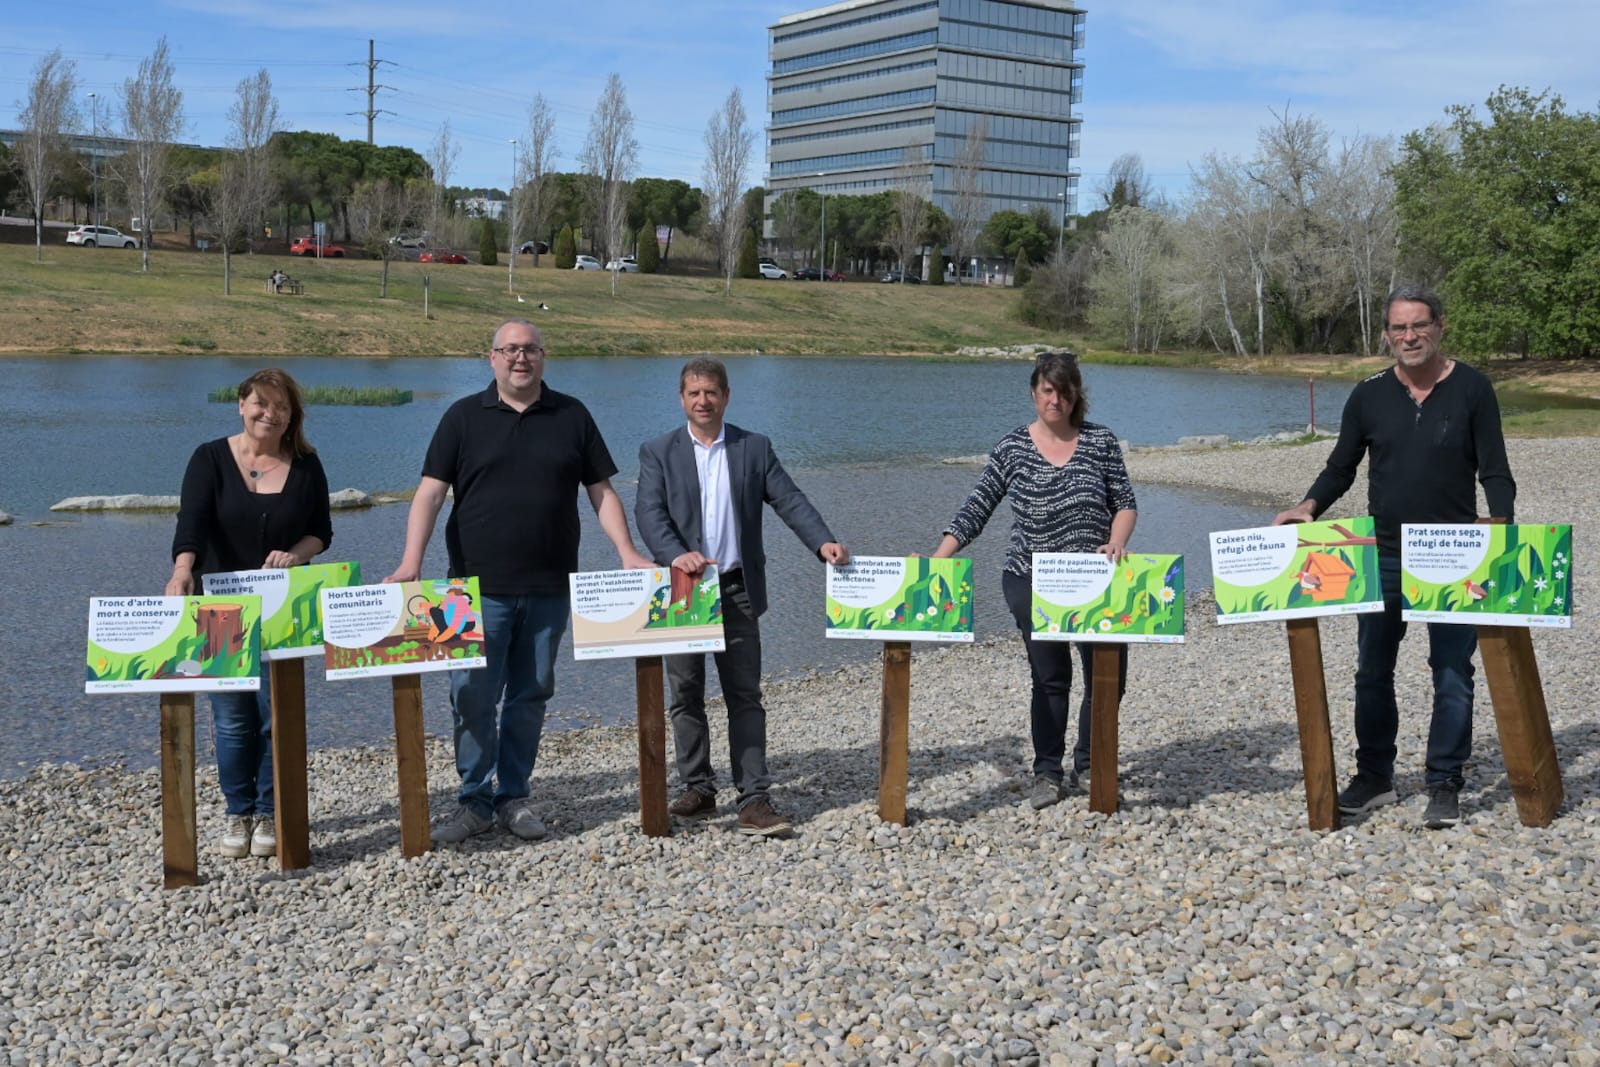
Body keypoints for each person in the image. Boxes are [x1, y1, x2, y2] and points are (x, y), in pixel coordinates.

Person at [386, 319, 653, 845]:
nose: (520, 358)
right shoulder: (462, 417)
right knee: (471, 696)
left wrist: (628, 552)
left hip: (550, 586)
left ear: (543, 357)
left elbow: (601, 491)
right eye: (510, 350)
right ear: (492, 358)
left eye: (530, 349)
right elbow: (430, 493)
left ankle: (513, 797)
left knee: (529, 695)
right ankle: (473, 802)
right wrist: (411, 561)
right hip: (468, 591)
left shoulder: (572, 415)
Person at [1274, 284, 1515, 829]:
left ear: (1440, 327)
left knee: (1452, 671)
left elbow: (1495, 469)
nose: (1410, 336)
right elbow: (1341, 466)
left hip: (1454, 557)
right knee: (1372, 672)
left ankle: (1444, 783)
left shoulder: (1474, 389)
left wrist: (1501, 524)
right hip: (1382, 554)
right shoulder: (1369, 394)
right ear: (1387, 334)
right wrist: (1308, 506)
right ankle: (1375, 776)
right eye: (1399, 328)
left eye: (1419, 325)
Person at [635, 357, 850, 837]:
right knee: (685, 695)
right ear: (682, 398)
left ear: (726, 396)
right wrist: (676, 555)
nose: (703, 401)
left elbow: (789, 499)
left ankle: (754, 798)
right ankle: (698, 788)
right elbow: (649, 513)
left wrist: (823, 541)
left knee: (745, 696)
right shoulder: (658, 451)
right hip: (684, 590)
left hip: (737, 590)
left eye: (711, 392)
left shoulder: (754, 447)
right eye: (694, 393)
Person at [932, 351, 1136, 810]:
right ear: (1034, 392)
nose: (1055, 400)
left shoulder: (1101, 441)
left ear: (1076, 395)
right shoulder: (1012, 447)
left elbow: (1125, 502)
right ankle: (1048, 772)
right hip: (1030, 577)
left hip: (1096, 580)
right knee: (1050, 678)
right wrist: (938, 560)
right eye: (1047, 391)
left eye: (1064, 392)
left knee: (1108, 678)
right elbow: (976, 507)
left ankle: (1091, 764)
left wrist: (1117, 541)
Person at [166, 368, 333, 859]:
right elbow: (191, 524)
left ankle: (269, 810)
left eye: (281, 407)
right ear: (241, 405)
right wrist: (181, 571)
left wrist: (296, 554)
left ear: (292, 415)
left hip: (283, 611)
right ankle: (238, 812)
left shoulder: (306, 464)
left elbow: (321, 532)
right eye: (261, 403)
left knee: (274, 717)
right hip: (219, 610)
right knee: (233, 721)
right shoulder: (209, 458)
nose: (269, 414)